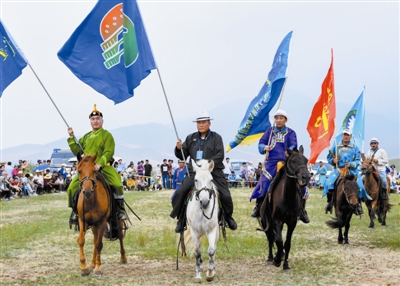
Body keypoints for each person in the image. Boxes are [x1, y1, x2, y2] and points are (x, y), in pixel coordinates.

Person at [171, 111, 237, 232]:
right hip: (195, 173)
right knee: (180, 193)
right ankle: (181, 220)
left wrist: (207, 164)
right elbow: (183, 155)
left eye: (203, 122)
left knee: (226, 195)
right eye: (199, 122)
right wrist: (179, 148)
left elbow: (220, 154)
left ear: (209, 123)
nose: (201, 125)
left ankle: (228, 217)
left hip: (213, 172)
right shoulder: (191, 138)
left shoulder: (216, 138)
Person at [66, 105, 127, 225]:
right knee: (71, 188)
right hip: (88, 169)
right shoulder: (86, 136)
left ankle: (120, 210)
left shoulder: (107, 135)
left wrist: (100, 164)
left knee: (117, 184)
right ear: (90, 122)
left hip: (104, 167)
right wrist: (72, 138)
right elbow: (76, 151)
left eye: (98, 119)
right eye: (93, 119)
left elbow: (109, 152)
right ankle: (75, 212)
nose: (95, 121)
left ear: (102, 121)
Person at [250, 109, 310, 223]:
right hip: (271, 162)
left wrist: (290, 152)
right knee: (264, 181)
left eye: (281, 118)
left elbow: (293, 145)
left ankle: (302, 210)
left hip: (286, 162)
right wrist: (264, 147)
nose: (278, 120)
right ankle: (258, 206)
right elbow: (261, 143)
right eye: (276, 118)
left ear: (285, 120)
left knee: (300, 184)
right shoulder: (269, 131)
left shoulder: (291, 133)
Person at [323, 129, 367, 215]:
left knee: (361, 187)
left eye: (348, 135)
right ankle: (330, 203)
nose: (346, 136)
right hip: (338, 170)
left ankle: (357, 205)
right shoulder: (336, 146)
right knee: (328, 184)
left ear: (350, 136)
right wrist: (333, 161)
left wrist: (351, 164)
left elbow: (358, 160)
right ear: (342, 136)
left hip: (351, 171)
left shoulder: (355, 147)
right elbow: (329, 157)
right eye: (344, 135)